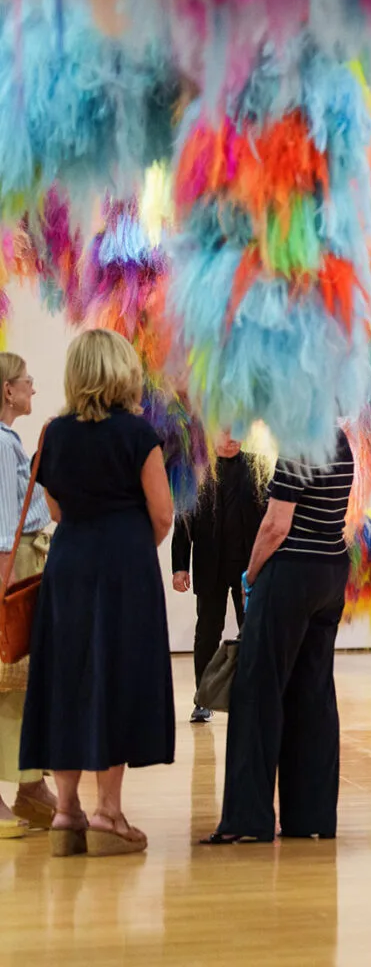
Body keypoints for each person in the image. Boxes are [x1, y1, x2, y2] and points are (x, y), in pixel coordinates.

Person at [19, 329, 175, 856]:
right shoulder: (137, 434)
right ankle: (109, 812)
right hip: (125, 568)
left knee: (68, 676)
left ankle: (66, 811)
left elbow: (57, 512)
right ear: (121, 372)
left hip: (69, 566)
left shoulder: (53, 434)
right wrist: (130, 543)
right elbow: (163, 514)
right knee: (118, 677)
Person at [203, 424, 356, 844]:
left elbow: (275, 525)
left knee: (257, 692)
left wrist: (250, 576)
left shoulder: (298, 440)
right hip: (330, 571)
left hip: (290, 573)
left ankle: (247, 820)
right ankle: (312, 817)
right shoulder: (340, 439)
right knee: (313, 694)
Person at [0, 353, 58, 839]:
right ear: (7, 391)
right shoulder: (1, 445)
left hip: (22, 561)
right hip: (12, 566)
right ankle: (21, 789)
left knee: (20, 683)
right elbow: (3, 527)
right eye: (27, 382)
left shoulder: (10, 442)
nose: (32, 389)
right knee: (9, 681)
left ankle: (31, 786)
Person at [171, 434, 270, 721]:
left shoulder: (258, 466)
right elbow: (183, 519)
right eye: (226, 431)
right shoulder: (197, 469)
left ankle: (253, 695)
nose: (233, 438)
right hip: (209, 566)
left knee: (251, 631)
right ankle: (203, 698)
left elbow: (270, 519)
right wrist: (180, 566)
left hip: (248, 570)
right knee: (207, 634)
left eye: (237, 430)